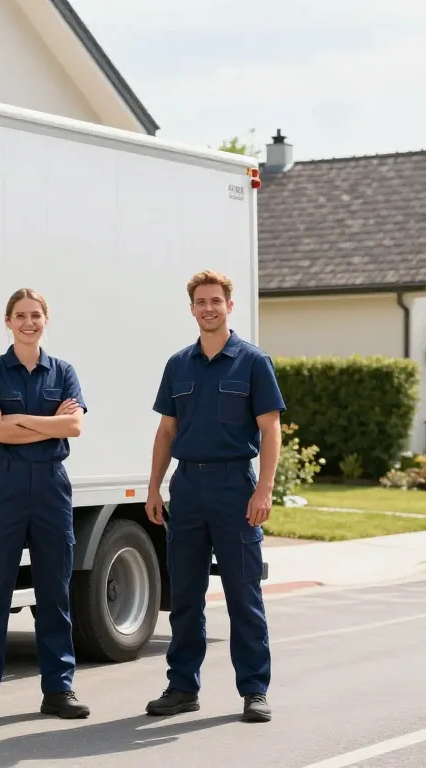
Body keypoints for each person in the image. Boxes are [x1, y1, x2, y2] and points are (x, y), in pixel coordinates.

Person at [143, 270, 285, 724]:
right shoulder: (177, 365)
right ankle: (183, 686)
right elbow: (167, 430)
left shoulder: (252, 362)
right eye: (201, 302)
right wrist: (154, 487)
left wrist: (264, 489)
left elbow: (270, 429)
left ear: (229, 305)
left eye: (216, 301)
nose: (209, 308)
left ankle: (254, 690)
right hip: (187, 489)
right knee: (185, 595)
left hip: (234, 489)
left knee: (244, 594)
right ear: (192, 309)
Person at [0, 287, 91, 723]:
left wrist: (24, 420)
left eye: (36, 314)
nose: (28, 322)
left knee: (54, 594)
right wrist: (48, 425)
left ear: (46, 320)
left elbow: (74, 426)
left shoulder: (64, 371)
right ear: (8, 322)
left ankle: (59, 689)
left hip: (52, 487)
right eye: (20, 315)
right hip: (5, 488)